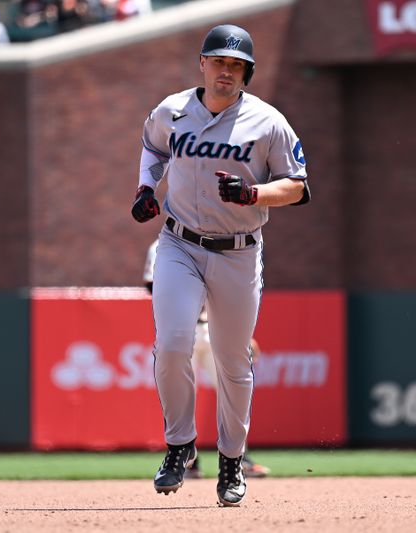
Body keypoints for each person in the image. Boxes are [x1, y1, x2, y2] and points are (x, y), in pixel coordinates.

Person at [131, 23, 309, 507]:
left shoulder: (268, 121)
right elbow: (152, 147)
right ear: (202, 64)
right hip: (179, 244)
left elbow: (297, 186)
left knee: (233, 362)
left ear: (247, 73)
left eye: (236, 65)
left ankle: (231, 459)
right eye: (219, 61)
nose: (226, 71)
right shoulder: (171, 111)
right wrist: (147, 189)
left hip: (238, 250)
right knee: (171, 345)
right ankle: (178, 445)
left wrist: (255, 193)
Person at [143, 239, 271, 480]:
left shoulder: (223, 242)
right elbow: (154, 285)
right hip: (186, 329)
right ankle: (188, 460)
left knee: (231, 389)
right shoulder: (163, 246)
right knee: (180, 389)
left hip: (214, 329)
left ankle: (239, 459)